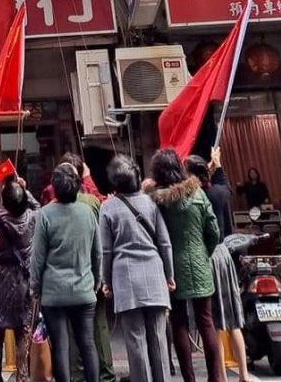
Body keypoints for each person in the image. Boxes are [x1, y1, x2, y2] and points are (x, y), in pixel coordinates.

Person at [148, 148, 222, 382]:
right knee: (206, 322)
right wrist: (203, 254)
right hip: (200, 262)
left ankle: (189, 378)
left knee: (179, 323)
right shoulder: (198, 194)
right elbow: (213, 231)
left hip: (171, 268)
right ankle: (215, 378)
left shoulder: (156, 201)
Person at [100, 156, 173, 382]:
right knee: (158, 340)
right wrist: (169, 275)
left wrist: (106, 280)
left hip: (125, 278)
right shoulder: (151, 203)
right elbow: (164, 242)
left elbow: (106, 250)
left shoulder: (108, 207)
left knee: (136, 342)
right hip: (155, 274)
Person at [30, 164, 102, 382]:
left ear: (54, 187)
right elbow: (97, 253)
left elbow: (37, 258)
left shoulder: (45, 215)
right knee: (87, 343)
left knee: (60, 346)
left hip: (54, 294)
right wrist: (96, 282)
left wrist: (35, 287)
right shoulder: (88, 212)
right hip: (84, 290)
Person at [185, 152, 249, 382]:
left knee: (211, 321)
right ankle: (244, 374)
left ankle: (220, 375)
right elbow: (225, 184)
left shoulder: (193, 196)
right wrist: (218, 166)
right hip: (223, 254)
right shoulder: (219, 193)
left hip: (206, 256)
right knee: (232, 319)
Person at [0, 179, 39, 382]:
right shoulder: (32, 218)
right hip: (23, 281)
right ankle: (23, 375)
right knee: (23, 330)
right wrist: (25, 190)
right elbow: (38, 206)